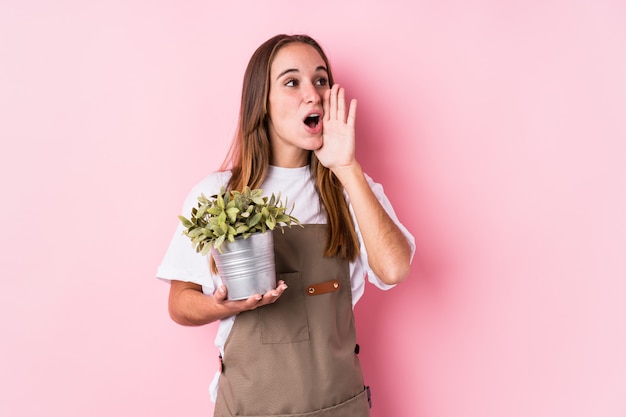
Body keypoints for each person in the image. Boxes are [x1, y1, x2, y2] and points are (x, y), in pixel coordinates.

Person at [157, 34, 415, 417]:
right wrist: (219, 305)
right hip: (249, 406)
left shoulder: (350, 189)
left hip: (339, 405)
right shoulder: (219, 194)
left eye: (321, 80)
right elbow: (180, 302)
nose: (313, 94)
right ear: (262, 102)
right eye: (292, 82)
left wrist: (347, 168)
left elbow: (394, 269)